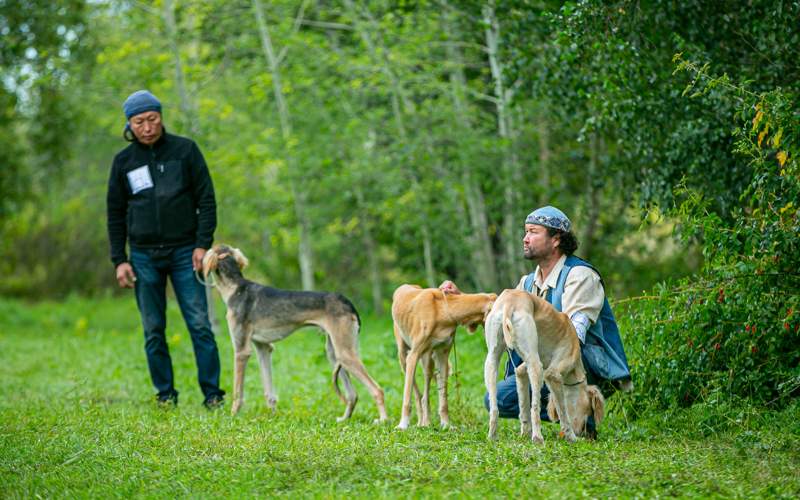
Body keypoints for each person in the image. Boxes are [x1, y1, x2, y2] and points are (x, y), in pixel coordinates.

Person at [441, 206, 631, 432]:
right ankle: (566, 414)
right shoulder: (528, 282)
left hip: (585, 363)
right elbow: (502, 316)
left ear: (556, 239)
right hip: (542, 362)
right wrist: (461, 299)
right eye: (525, 232)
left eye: (533, 232)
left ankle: (582, 412)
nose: (525, 238)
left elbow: (575, 335)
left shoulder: (580, 275)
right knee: (498, 399)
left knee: (571, 354)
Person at [106, 90, 225, 409]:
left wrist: (202, 244)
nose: (147, 127)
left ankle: (212, 394)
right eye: (139, 122)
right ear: (129, 124)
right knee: (153, 328)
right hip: (144, 256)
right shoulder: (124, 162)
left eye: (153, 119)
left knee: (200, 323)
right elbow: (115, 214)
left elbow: (206, 199)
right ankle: (165, 394)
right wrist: (120, 260)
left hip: (186, 251)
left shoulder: (185, 151)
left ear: (161, 117)